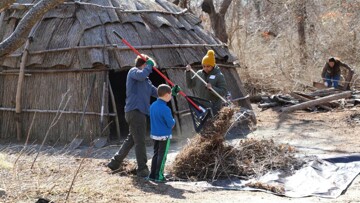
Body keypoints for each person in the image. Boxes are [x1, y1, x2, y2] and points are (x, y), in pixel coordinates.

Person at [107, 54, 157, 178]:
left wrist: (170, 92)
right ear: (144, 64)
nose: (150, 71)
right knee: (140, 141)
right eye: (149, 67)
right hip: (135, 111)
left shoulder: (147, 81)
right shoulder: (134, 72)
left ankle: (115, 162)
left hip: (139, 113)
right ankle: (142, 170)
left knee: (132, 139)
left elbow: (157, 93)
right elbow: (141, 75)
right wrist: (149, 66)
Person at [185, 50, 228, 114]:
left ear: (213, 66)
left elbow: (223, 92)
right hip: (202, 108)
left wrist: (212, 88)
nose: (205, 68)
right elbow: (190, 85)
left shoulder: (219, 76)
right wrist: (188, 72)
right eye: (204, 66)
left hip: (214, 109)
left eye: (208, 66)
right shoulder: (199, 74)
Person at [147, 84, 175, 182]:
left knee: (156, 154)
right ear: (167, 95)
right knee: (162, 156)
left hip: (155, 134)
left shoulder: (152, 106)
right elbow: (171, 123)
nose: (171, 97)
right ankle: (159, 176)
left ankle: (152, 175)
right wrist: (174, 120)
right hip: (164, 135)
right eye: (171, 95)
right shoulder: (166, 109)